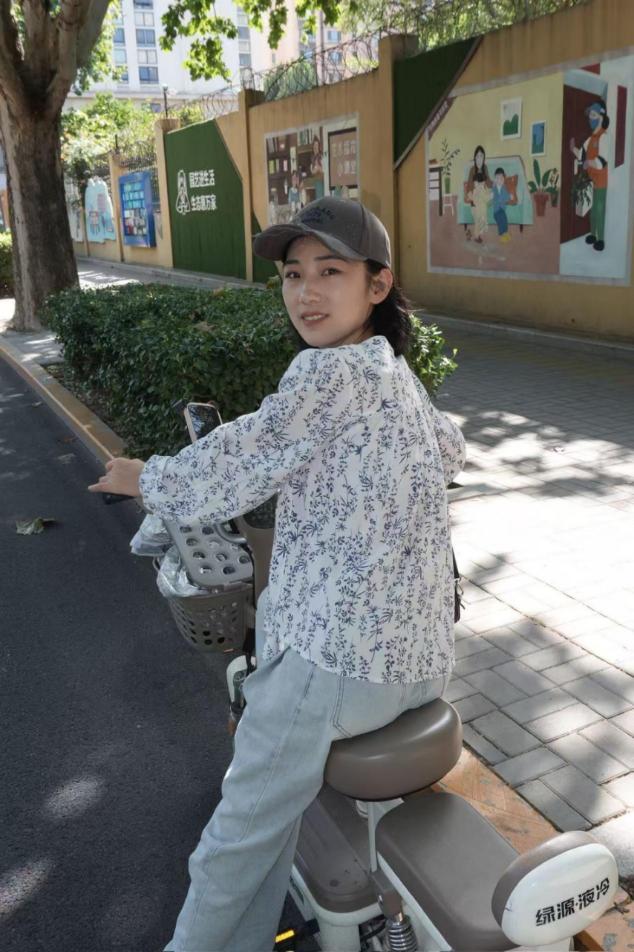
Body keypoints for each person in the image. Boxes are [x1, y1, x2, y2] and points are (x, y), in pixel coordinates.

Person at [88, 196, 466, 952]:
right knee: (260, 807)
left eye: (331, 272)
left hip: (339, 665)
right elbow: (449, 448)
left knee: (236, 839)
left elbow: (242, 460)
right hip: (421, 661)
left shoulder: (329, 374)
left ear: (378, 284)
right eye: (294, 275)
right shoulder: (392, 371)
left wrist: (144, 477)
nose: (307, 292)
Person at [570, 99, 610, 252]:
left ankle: (601, 239)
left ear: (601, 116)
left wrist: (589, 163)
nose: (590, 119)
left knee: (599, 209)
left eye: (593, 115)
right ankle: (593, 234)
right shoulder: (590, 139)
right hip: (590, 180)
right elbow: (582, 155)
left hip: (601, 181)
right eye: (590, 116)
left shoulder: (604, 137)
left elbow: (602, 161)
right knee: (592, 210)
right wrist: (573, 149)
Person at [465, 145, 492, 242]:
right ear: (475, 158)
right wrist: (471, 197)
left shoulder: (485, 168)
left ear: (484, 158)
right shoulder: (472, 169)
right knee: (478, 215)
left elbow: (489, 183)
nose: (479, 159)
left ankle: (475, 235)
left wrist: (496, 184)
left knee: (482, 214)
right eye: (477, 156)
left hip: (483, 196)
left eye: (481, 156)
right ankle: (476, 236)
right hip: (475, 198)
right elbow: (469, 186)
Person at [491, 167, 511, 243]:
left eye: (501, 178)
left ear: (504, 179)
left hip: (502, 209)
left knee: (505, 219)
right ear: (495, 179)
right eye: (498, 178)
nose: (500, 180)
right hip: (496, 211)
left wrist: (510, 196)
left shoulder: (504, 187)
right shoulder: (494, 189)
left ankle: (505, 233)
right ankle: (502, 235)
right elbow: (495, 198)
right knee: (500, 220)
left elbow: (506, 197)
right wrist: (502, 198)